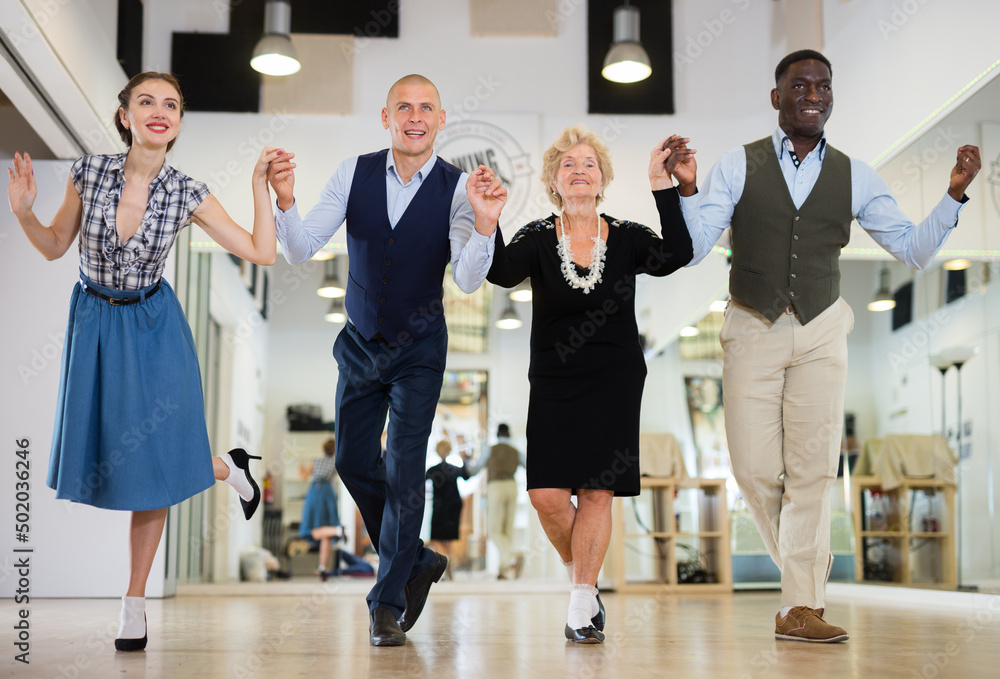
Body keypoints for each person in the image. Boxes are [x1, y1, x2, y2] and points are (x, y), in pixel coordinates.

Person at [666, 49, 981, 643]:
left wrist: (954, 197)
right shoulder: (738, 165)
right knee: (755, 469)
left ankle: (799, 606)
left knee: (812, 472)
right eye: (800, 84)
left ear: (831, 96)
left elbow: (912, 250)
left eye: (823, 85)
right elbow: (696, 246)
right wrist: (686, 190)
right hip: (751, 325)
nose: (813, 93)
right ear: (776, 96)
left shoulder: (856, 174)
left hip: (822, 328)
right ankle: (802, 578)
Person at [6, 72, 282, 652]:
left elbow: (260, 251)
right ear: (126, 115)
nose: (160, 111)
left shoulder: (188, 191)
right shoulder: (89, 172)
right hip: (96, 323)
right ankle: (228, 468)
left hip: (155, 326)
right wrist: (25, 212)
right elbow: (57, 245)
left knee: (154, 465)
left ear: (178, 123)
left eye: (172, 105)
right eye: (147, 102)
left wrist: (261, 187)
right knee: (112, 456)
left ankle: (133, 605)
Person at [266, 74, 505, 646]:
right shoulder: (354, 173)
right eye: (404, 107)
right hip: (359, 342)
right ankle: (416, 558)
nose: (415, 117)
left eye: (426, 108)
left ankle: (386, 603)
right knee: (351, 460)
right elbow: (300, 248)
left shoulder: (454, 188)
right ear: (386, 117)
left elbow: (469, 281)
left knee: (402, 470)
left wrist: (487, 224)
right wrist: (285, 200)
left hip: (419, 350)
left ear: (441, 120)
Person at [483, 124, 693, 643]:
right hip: (554, 379)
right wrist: (489, 221)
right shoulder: (535, 236)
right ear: (555, 181)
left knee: (598, 490)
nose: (579, 171)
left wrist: (662, 185)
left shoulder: (624, 235)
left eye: (589, 165)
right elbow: (502, 274)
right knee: (546, 495)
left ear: (602, 180)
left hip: (615, 377)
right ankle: (587, 580)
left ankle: (580, 602)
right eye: (569, 165)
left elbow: (676, 255)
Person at [466, 422, 526, 579]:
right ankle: (504, 570)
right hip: (512, 487)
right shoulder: (516, 451)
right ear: (509, 434)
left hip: (496, 487)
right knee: (508, 530)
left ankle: (512, 555)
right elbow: (529, 467)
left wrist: (466, 463)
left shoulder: (490, 450)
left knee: (493, 530)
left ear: (497, 435)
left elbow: (474, 470)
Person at [425, 439, 471, 580]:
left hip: (440, 506)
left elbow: (421, 483)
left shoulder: (433, 470)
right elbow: (466, 476)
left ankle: (444, 563)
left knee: (438, 537)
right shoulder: (453, 468)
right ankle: (448, 562)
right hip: (454, 505)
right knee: (449, 538)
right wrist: (465, 459)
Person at [298, 438, 343, 580]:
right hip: (328, 493)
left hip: (315, 492)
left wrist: (301, 467)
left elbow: (302, 478)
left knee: (311, 529)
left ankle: (339, 530)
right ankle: (322, 567)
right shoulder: (337, 462)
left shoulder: (316, 461)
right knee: (326, 533)